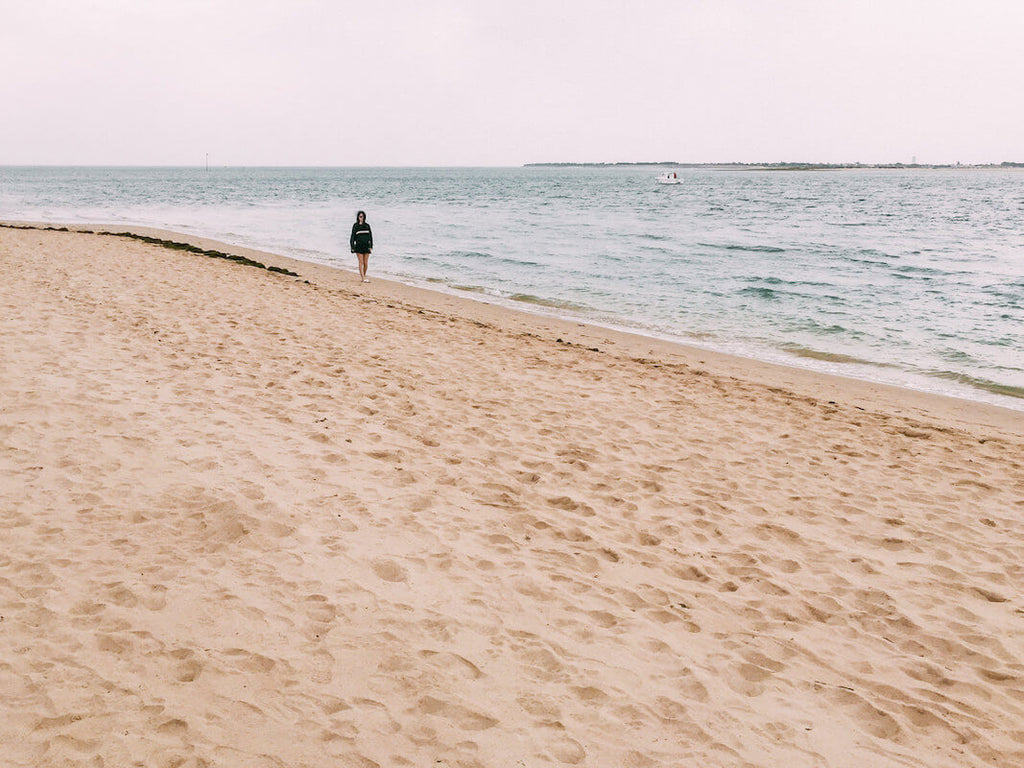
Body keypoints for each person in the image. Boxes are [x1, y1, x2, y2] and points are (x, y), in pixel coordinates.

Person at [350, 210, 373, 282]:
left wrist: (371, 246)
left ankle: (364, 276)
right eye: (360, 216)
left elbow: (370, 236)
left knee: (366, 263)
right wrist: (352, 247)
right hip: (358, 246)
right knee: (361, 262)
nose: (361, 218)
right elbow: (352, 237)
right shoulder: (355, 226)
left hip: (366, 246)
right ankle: (363, 278)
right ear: (358, 217)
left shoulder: (367, 225)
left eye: (362, 217)